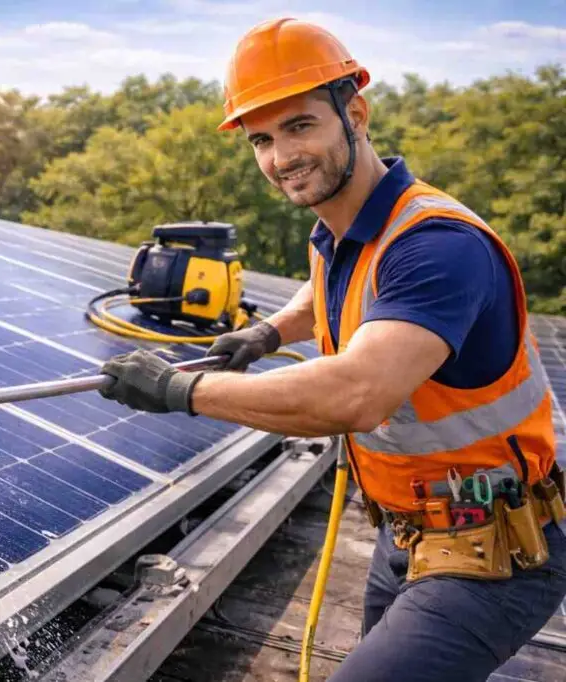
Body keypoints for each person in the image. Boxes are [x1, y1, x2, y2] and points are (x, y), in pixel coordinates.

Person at [97, 16, 566, 682]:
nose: (281, 157)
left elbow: (356, 394)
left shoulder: (437, 246)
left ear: (357, 114)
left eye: (300, 126)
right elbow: (324, 291)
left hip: (498, 552)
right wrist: (267, 333)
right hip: (407, 535)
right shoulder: (343, 232)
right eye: (262, 139)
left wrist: (183, 389)